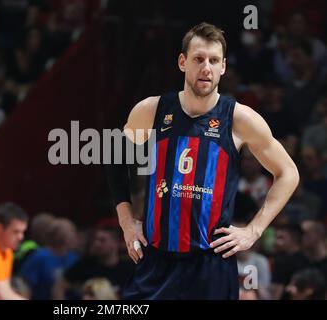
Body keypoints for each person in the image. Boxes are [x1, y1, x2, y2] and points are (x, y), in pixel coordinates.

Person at [106, 22, 300, 299]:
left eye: (214, 60)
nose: (206, 67)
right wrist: (126, 221)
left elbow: (288, 173)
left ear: (223, 67)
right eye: (198, 59)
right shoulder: (152, 110)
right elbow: (114, 155)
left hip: (210, 266)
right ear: (182, 62)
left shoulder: (240, 119)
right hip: (155, 261)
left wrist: (254, 231)